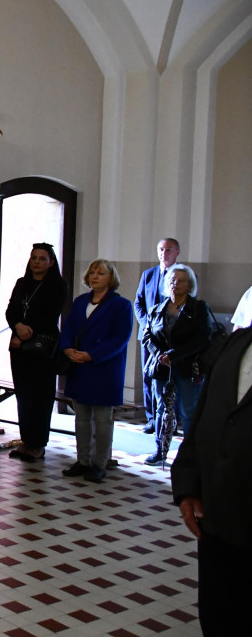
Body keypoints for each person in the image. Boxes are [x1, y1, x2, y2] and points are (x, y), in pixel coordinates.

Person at [171, 325, 252, 636]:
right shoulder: (236, 342)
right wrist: (187, 485)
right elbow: (204, 415)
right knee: (220, 617)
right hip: (218, 518)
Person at [59, 260, 133, 483]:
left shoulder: (121, 305)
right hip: (79, 366)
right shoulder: (81, 301)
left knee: (102, 419)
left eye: (101, 273)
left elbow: (120, 338)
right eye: (92, 272)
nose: (95, 276)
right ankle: (82, 460)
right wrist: (67, 348)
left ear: (111, 278)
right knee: (81, 417)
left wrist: (92, 355)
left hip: (104, 368)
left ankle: (100, 464)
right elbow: (68, 328)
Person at [142, 263, 213, 466]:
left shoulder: (199, 308)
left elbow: (203, 339)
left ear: (190, 285)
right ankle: (160, 450)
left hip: (188, 367)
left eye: (181, 280)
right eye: (172, 280)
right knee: (161, 409)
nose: (176, 284)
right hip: (162, 368)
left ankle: (191, 453)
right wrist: (159, 355)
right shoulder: (158, 309)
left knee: (187, 410)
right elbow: (147, 336)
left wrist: (173, 355)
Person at [6, 243, 68, 463]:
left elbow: (50, 315)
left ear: (51, 262)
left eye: (42, 258)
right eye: (34, 258)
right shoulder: (22, 283)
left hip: (42, 345)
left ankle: (38, 444)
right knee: (24, 395)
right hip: (20, 347)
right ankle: (26, 440)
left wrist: (24, 331)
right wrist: (17, 326)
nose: (37, 262)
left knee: (40, 397)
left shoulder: (57, 285)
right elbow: (11, 310)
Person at [134, 238, 183, 433]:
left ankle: (171, 419)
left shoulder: (184, 275)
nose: (164, 253)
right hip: (148, 336)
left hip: (172, 336)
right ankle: (152, 418)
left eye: (169, 249)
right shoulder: (148, 275)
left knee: (172, 377)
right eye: (161, 249)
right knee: (149, 374)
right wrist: (147, 325)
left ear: (177, 252)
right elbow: (138, 303)